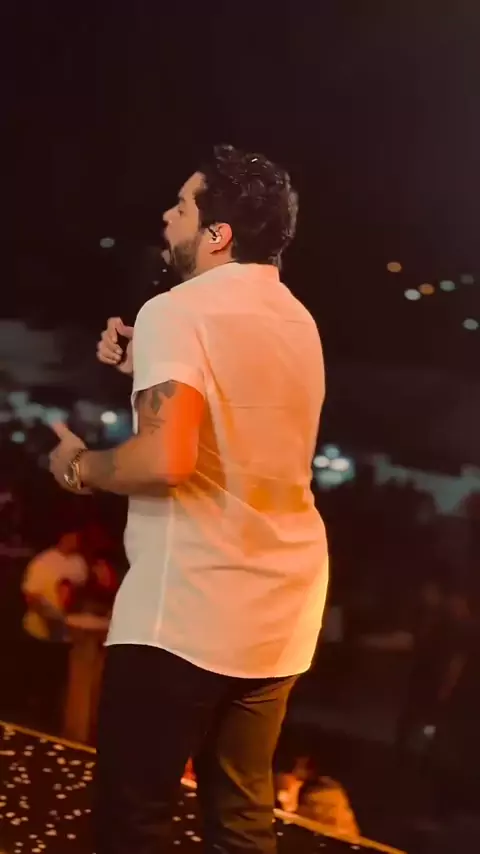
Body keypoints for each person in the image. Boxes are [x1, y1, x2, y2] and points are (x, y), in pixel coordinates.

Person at [48, 144, 328, 854]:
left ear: (217, 235)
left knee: (133, 819)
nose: (166, 218)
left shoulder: (177, 309)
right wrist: (145, 358)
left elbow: (165, 461)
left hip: (187, 607)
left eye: (181, 206)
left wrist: (77, 466)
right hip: (282, 607)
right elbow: (242, 416)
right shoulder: (298, 320)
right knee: (240, 819)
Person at [21, 532, 88, 726]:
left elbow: (81, 592)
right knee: (40, 680)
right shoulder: (43, 562)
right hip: (41, 632)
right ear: (62, 537)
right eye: (72, 537)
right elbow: (31, 597)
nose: (76, 541)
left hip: (67, 635)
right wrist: (52, 619)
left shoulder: (79, 562)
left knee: (59, 682)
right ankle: (35, 721)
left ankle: (55, 720)